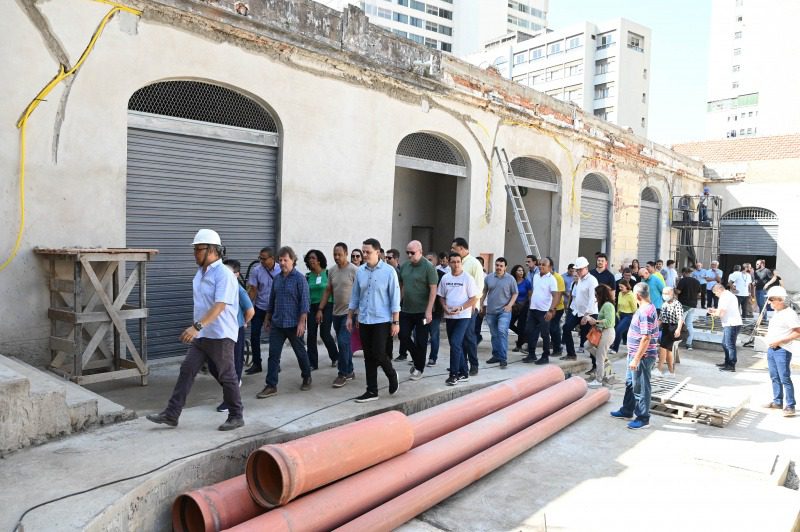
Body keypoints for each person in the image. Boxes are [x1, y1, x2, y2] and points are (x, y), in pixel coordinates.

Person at [147, 229, 244, 431]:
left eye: (198, 249)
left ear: (211, 250)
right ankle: (172, 414)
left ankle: (236, 415)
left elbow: (220, 305)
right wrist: (198, 328)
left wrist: (196, 326)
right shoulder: (200, 273)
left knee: (227, 375)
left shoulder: (224, 274)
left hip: (220, 334)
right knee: (187, 370)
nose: (194, 254)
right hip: (203, 335)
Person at [347, 238, 400, 402]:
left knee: (378, 353)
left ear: (378, 252)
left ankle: (391, 374)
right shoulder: (360, 271)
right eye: (363, 252)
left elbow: (395, 298)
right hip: (364, 319)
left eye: (368, 252)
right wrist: (350, 316)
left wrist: (395, 322)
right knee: (368, 356)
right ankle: (371, 391)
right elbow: (355, 296)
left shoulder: (389, 271)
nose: (364, 255)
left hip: (382, 320)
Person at [256, 246, 314, 398]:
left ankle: (307, 376)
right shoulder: (277, 279)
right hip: (278, 324)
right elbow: (272, 300)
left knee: (300, 353)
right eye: (280, 260)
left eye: (285, 260)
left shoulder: (300, 279)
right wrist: (268, 318)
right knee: (273, 355)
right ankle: (271, 385)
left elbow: (305, 303)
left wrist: (302, 323)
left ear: (293, 261)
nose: (282, 263)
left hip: (294, 324)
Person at [610, 282, 660, 430]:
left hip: (642, 357)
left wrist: (637, 358)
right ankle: (627, 410)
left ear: (637, 295)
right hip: (634, 354)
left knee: (641, 387)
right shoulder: (646, 308)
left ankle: (643, 418)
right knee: (631, 383)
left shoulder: (645, 312)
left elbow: (646, 338)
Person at [211, 259, 255, 412]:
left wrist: (243, 323)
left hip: (235, 331)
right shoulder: (219, 288)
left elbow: (250, 311)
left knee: (232, 367)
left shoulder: (238, 289)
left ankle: (229, 401)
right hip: (220, 331)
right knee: (213, 365)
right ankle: (234, 386)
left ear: (237, 274)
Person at [319, 242, 358, 388]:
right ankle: (350, 370)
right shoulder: (332, 271)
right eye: (334, 254)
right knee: (344, 344)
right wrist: (320, 309)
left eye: (339, 254)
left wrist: (358, 314)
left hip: (350, 313)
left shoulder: (354, 270)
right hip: (336, 312)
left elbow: (361, 292)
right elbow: (328, 290)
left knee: (342, 342)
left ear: (346, 254)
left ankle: (342, 374)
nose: (336, 257)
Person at [398, 240, 438, 380]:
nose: (409, 255)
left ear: (420, 251)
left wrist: (429, 310)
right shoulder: (404, 266)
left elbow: (433, 289)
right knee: (403, 335)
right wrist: (398, 305)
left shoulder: (428, 267)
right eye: (407, 252)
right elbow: (401, 286)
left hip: (422, 310)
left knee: (421, 340)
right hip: (406, 309)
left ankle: (419, 368)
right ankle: (418, 360)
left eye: (412, 252)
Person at [438, 252, 479, 386]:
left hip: (463, 316)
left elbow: (474, 298)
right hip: (449, 316)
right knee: (455, 344)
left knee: (456, 343)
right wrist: (444, 306)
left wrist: (461, 308)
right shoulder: (445, 278)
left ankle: (453, 374)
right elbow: (441, 296)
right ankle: (464, 372)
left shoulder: (468, 278)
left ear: (461, 263)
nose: (456, 265)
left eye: (458, 262)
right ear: (449, 263)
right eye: (453, 262)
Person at [763, 286, 799, 417]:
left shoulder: (790, 314)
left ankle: (790, 406)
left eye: (771, 299)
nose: (769, 302)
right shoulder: (777, 312)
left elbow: (797, 333)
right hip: (772, 349)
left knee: (784, 378)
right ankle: (777, 402)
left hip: (782, 350)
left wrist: (779, 341)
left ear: (780, 300)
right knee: (774, 377)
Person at [451, 237, 484, 376]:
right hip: (456, 309)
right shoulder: (455, 263)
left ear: (462, 248)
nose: (452, 250)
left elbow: (479, 287)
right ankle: (460, 364)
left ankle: (474, 365)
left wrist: (474, 306)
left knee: (469, 337)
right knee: (458, 338)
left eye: (454, 248)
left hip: (469, 308)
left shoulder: (474, 264)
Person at [245, 247, 280, 375]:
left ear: (272, 258)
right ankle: (256, 363)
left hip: (276, 309)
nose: (261, 261)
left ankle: (276, 364)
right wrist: (247, 308)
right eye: (260, 258)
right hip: (260, 307)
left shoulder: (281, 269)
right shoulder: (257, 270)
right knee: (254, 335)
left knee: (275, 337)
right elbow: (253, 290)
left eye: (264, 259)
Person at [304, 249, 338, 370]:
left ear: (319, 260)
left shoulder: (328, 273)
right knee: (311, 335)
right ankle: (313, 363)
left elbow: (332, 291)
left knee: (324, 333)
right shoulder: (307, 277)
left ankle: (335, 357)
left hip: (327, 305)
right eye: (309, 258)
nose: (311, 260)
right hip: (312, 307)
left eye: (313, 258)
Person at [482, 257, 518, 369]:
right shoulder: (488, 278)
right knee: (494, 335)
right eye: (497, 265)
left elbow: (515, 293)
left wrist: (509, 305)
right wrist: (481, 304)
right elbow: (484, 291)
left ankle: (503, 358)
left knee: (502, 331)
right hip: (491, 311)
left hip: (504, 311)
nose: (498, 267)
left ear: (505, 267)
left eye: (501, 266)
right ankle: (496, 355)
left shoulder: (510, 279)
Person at [561, 257, 598, 362]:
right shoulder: (579, 280)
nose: (578, 272)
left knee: (589, 340)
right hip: (577, 311)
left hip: (589, 313)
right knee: (566, 328)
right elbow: (577, 297)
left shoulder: (592, 281)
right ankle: (571, 354)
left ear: (586, 268)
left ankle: (595, 364)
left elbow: (593, 299)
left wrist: (586, 315)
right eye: (577, 270)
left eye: (580, 270)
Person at [585, 284, 616, 388]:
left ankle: (599, 380)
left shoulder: (607, 305)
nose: (595, 297)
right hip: (603, 332)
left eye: (596, 294)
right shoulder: (605, 305)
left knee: (599, 357)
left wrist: (596, 321)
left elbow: (609, 322)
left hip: (607, 333)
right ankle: (605, 361)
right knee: (587, 345)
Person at [708, 283, 742, 372]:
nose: (716, 295)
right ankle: (727, 362)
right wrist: (715, 310)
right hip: (731, 323)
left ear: (719, 290)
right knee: (725, 344)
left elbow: (721, 313)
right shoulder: (728, 295)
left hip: (731, 323)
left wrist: (713, 313)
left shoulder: (725, 297)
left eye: (715, 293)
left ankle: (731, 365)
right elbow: (725, 310)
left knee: (729, 345)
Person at [656, 287, 683, 377]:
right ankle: (671, 372)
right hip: (665, 328)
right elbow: (660, 318)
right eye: (664, 293)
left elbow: (680, 318)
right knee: (668, 351)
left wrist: (678, 329)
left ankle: (659, 369)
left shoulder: (677, 304)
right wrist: (654, 327)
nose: (665, 295)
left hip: (673, 327)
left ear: (672, 294)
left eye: (667, 293)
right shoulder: (664, 304)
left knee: (663, 348)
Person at [425, 252, 446, 367]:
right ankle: (418, 356)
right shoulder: (421, 273)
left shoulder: (442, 275)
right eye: (426, 259)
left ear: (436, 262)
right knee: (418, 335)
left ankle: (433, 357)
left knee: (434, 335)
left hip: (436, 311)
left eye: (430, 260)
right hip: (421, 310)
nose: (427, 262)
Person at [675, 267, 701, 351]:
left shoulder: (683, 280)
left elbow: (678, 291)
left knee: (679, 322)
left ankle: (674, 341)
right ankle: (689, 343)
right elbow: (699, 295)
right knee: (689, 324)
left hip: (684, 305)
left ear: (684, 273)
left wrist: (673, 290)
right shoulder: (697, 281)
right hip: (693, 305)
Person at [509, 264, 531, 352]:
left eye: (522, 270)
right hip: (514, 306)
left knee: (521, 326)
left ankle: (519, 345)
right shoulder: (511, 281)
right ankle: (524, 337)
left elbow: (530, 295)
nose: (521, 272)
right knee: (509, 324)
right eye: (519, 270)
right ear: (515, 272)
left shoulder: (526, 282)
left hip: (524, 307)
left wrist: (529, 306)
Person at [610, 279, 636, 354]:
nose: (620, 289)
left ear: (626, 286)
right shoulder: (620, 293)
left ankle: (615, 349)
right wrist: (617, 314)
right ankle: (612, 345)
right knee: (614, 330)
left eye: (622, 287)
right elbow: (618, 305)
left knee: (618, 330)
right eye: (619, 287)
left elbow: (634, 309)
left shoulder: (631, 295)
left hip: (628, 316)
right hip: (620, 314)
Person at [548, 258, 566, 357]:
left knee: (554, 328)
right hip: (547, 307)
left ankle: (557, 348)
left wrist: (553, 308)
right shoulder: (545, 277)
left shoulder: (557, 277)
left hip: (557, 308)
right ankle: (555, 345)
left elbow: (559, 295)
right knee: (551, 328)